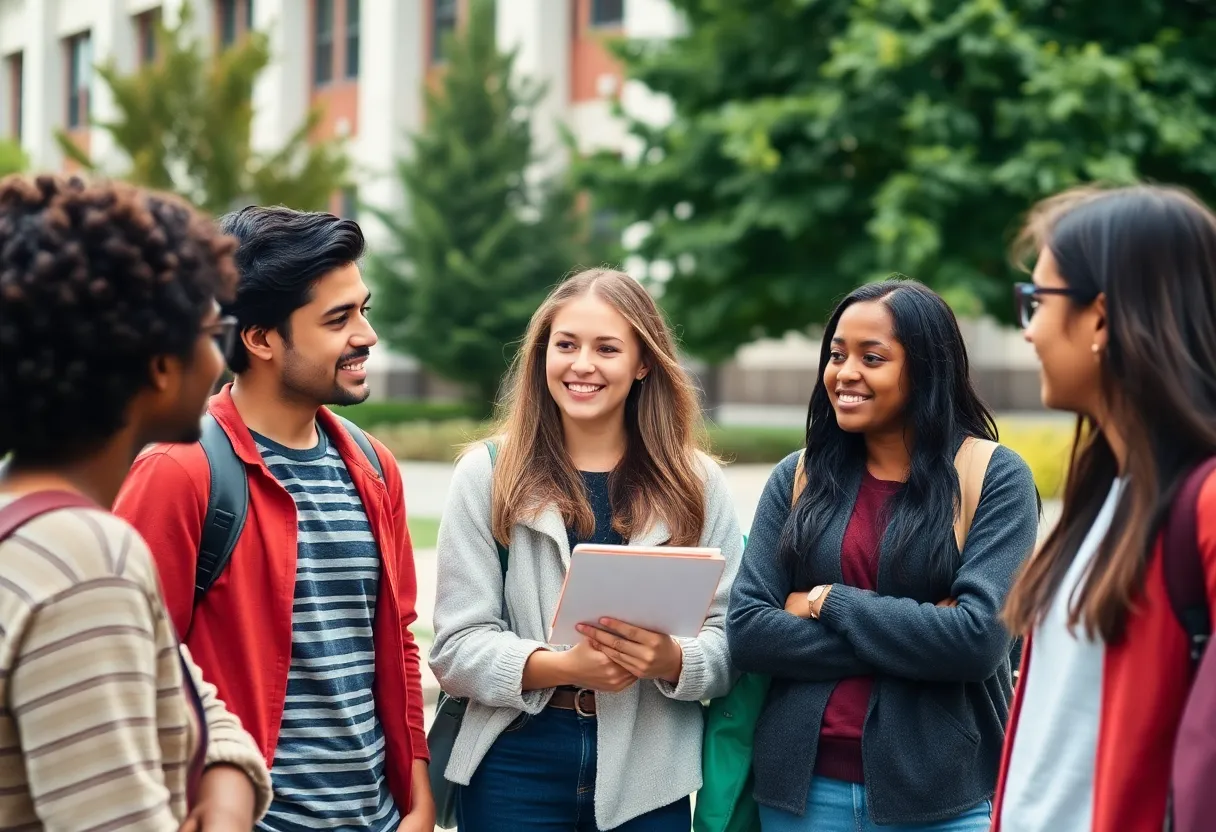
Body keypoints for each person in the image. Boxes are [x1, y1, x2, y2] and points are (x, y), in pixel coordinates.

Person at [113, 206, 434, 831]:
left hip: (378, 818)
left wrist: (418, 805)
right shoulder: (178, 472)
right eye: (338, 319)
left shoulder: (374, 467)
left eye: (363, 309)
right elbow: (130, 669)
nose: (366, 335)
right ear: (259, 338)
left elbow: (396, 646)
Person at [0, 174, 272, 829]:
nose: (220, 358)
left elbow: (188, 695)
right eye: (214, 331)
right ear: (158, 364)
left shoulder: (31, 531)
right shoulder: (87, 560)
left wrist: (227, 775)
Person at [428, 268, 744, 831]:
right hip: (514, 762)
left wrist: (671, 660)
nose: (581, 365)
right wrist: (561, 666)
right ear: (541, 353)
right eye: (566, 344)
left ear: (643, 363)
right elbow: (456, 647)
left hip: (648, 775)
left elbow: (731, 644)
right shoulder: (489, 474)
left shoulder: (696, 485)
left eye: (607, 348)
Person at [726, 279, 1039, 831]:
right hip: (801, 795)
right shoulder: (797, 477)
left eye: (872, 358)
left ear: (926, 370)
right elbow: (750, 631)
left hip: (944, 798)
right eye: (837, 354)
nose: (845, 373)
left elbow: (976, 643)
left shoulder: (994, 477)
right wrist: (919, 633)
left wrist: (829, 601)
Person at [993, 185, 1216, 832]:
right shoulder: (1101, 496)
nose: (1028, 328)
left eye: (1038, 301)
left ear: (1102, 317)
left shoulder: (1200, 506)